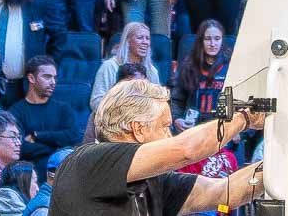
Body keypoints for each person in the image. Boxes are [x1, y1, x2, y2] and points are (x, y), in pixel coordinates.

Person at [49, 77, 265, 212]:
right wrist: (245, 118)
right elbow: (187, 149)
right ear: (138, 129)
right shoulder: (87, 160)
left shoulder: (153, 182)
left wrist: (284, 161)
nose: (170, 136)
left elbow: (225, 192)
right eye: (164, 127)